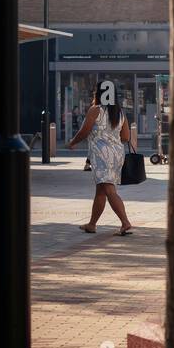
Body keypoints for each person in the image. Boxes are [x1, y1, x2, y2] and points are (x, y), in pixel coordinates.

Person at [68, 81, 135, 236]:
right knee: (101, 190)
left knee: (109, 190)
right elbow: (125, 137)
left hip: (101, 154)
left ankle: (125, 222)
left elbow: (84, 131)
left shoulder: (95, 110)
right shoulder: (120, 112)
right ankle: (92, 224)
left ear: (98, 94)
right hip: (117, 154)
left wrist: (72, 143)